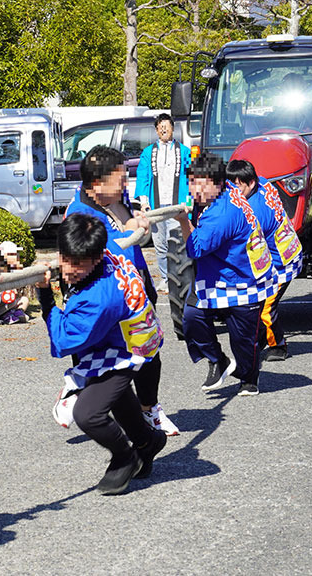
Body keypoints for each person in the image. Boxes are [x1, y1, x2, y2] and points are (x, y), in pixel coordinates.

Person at [36, 213, 167, 495]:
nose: (69, 270)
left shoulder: (99, 298)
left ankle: (125, 457)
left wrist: (46, 296)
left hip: (127, 349)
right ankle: (147, 441)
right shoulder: (107, 247)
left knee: (88, 413)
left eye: (78, 265)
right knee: (115, 395)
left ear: (96, 259)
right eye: (65, 258)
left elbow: (64, 338)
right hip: (125, 335)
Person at [67, 146, 177, 436]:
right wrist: (135, 232)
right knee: (113, 365)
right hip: (110, 303)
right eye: (119, 180)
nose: (125, 185)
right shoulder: (81, 215)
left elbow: (124, 225)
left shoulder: (114, 196)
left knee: (148, 353)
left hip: (137, 290)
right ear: (96, 184)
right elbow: (110, 253)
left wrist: (134, 223)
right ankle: (81, 399)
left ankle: (148, 410)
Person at [177, 154, 277, 397]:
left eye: (202, 184)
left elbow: (195, 248)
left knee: (243, 340)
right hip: (214, 276)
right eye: (192, 183)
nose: (195, 190)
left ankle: (249, 377)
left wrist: (182, 221)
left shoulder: (223, 212)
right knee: (192, 316)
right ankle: (217, 360)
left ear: (218, 183)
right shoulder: (223, 193)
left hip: (243, 280)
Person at [226, 160, 304, 363]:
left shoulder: (254, 213)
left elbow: (243, 245)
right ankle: (260, 337)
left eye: (237, 186)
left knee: (266, 309)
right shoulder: (263, 183)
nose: (233, 191)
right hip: (284, 249)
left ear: (250, 183)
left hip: (282, 263)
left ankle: (278, 344)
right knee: (257, 304)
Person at [135, 113, 191, 288]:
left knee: (177, 243)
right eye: (160, 127)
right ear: (156, 130)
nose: (164, 130)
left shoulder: (184, 152)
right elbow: (142, 177)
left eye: (167, 126)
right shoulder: (148, 153)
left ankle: (180, 278)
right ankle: (165, 279)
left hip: (177, 205)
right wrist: (144, 202)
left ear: (173, 129)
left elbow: (192, 179)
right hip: (156, 205)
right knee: (160, 245)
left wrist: (189, 202)